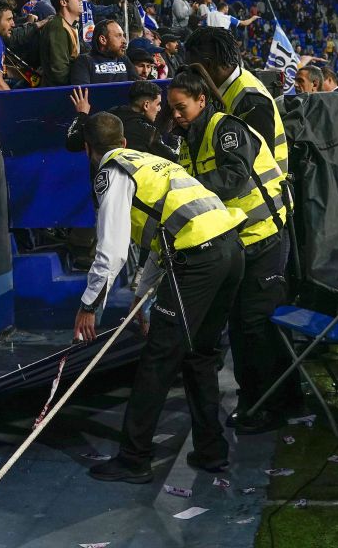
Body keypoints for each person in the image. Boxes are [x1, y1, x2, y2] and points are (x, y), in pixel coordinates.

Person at [75, 112, 245, 483]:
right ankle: (211, 451)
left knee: (158, 358)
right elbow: (162, 238)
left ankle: (134, 458)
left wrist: (89, 304)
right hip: (231, 248)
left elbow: (113, 248)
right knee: (200, 354)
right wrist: (141, 296)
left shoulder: (112, 171)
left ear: (89, 149)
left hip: (199, 257)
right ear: (122, 141)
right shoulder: (153, 162)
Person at [167, 68, 295, 433]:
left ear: (202, 100)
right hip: (241, 243)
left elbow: (233, 178)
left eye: (181, 107)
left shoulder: (226, 130)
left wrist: (185, 191)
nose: (176, 115)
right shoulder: (188, 139)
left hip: (265, 237)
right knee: (243, 327)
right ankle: (262, 401)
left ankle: (269, 407)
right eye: (172, 109)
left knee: (255, 326)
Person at [183, 27, 288, 173]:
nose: (189, 75)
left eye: (192, 68)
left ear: (208, 65)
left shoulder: (251, 100)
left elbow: (258, 163)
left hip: (263, 191)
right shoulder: (223, 87)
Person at [66, 81, 177, 160]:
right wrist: (175, 132)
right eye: (158, 104)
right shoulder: (148, 132)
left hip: (102, 188)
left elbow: (72, 143)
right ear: (146, 105)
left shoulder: (105, 120)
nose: (159, 109)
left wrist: (82, 114)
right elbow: (174, 157)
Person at [38, 0, 82, 86]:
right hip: (58, 95)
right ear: (63, 2)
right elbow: (59, 73)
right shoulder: (57, 27)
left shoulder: (70, 25)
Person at [70, 19, 136, 85]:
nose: (124, 41)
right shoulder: (84, 61)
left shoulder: (124, 59)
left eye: (123, 36)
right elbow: (82, 92)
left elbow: (138, 88)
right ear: (103, 40)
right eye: (118, 36)